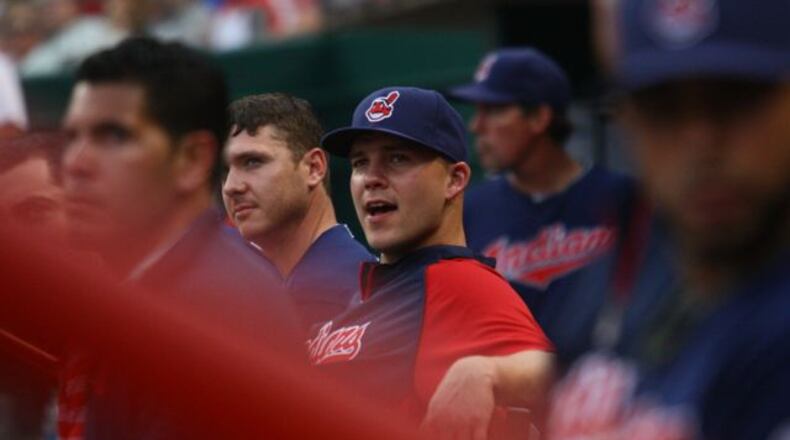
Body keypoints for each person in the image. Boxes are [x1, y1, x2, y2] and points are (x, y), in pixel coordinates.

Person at [429, 1, 790, 439]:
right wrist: (497, 371)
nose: (701, 143)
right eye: (664, 109)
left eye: (734, 101)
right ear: (628, 120)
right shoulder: (643, 251)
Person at [59, 37, 298, 439]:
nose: (76, 163)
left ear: (193, 159)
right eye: (72, 137)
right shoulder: (158, 292)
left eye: (114, 136)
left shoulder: (217, 310)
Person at [311, 86, 554, 432]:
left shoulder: (457, 282)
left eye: (397, 158)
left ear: (454, 180)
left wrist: (487, 372)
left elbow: (567, 378)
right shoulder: (371, 290)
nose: (371, 179)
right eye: (360, 163)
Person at [448, 47, 637, 365]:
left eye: (493, 110)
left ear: (539, 117)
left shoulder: (622, 200)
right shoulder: (469, 210)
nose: (476, 126)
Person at [223, 92, 376, 329]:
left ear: (314, 168)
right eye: (224, 171)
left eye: (253, 162)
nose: (232, 186)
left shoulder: (341, 290)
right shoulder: (267, 291)